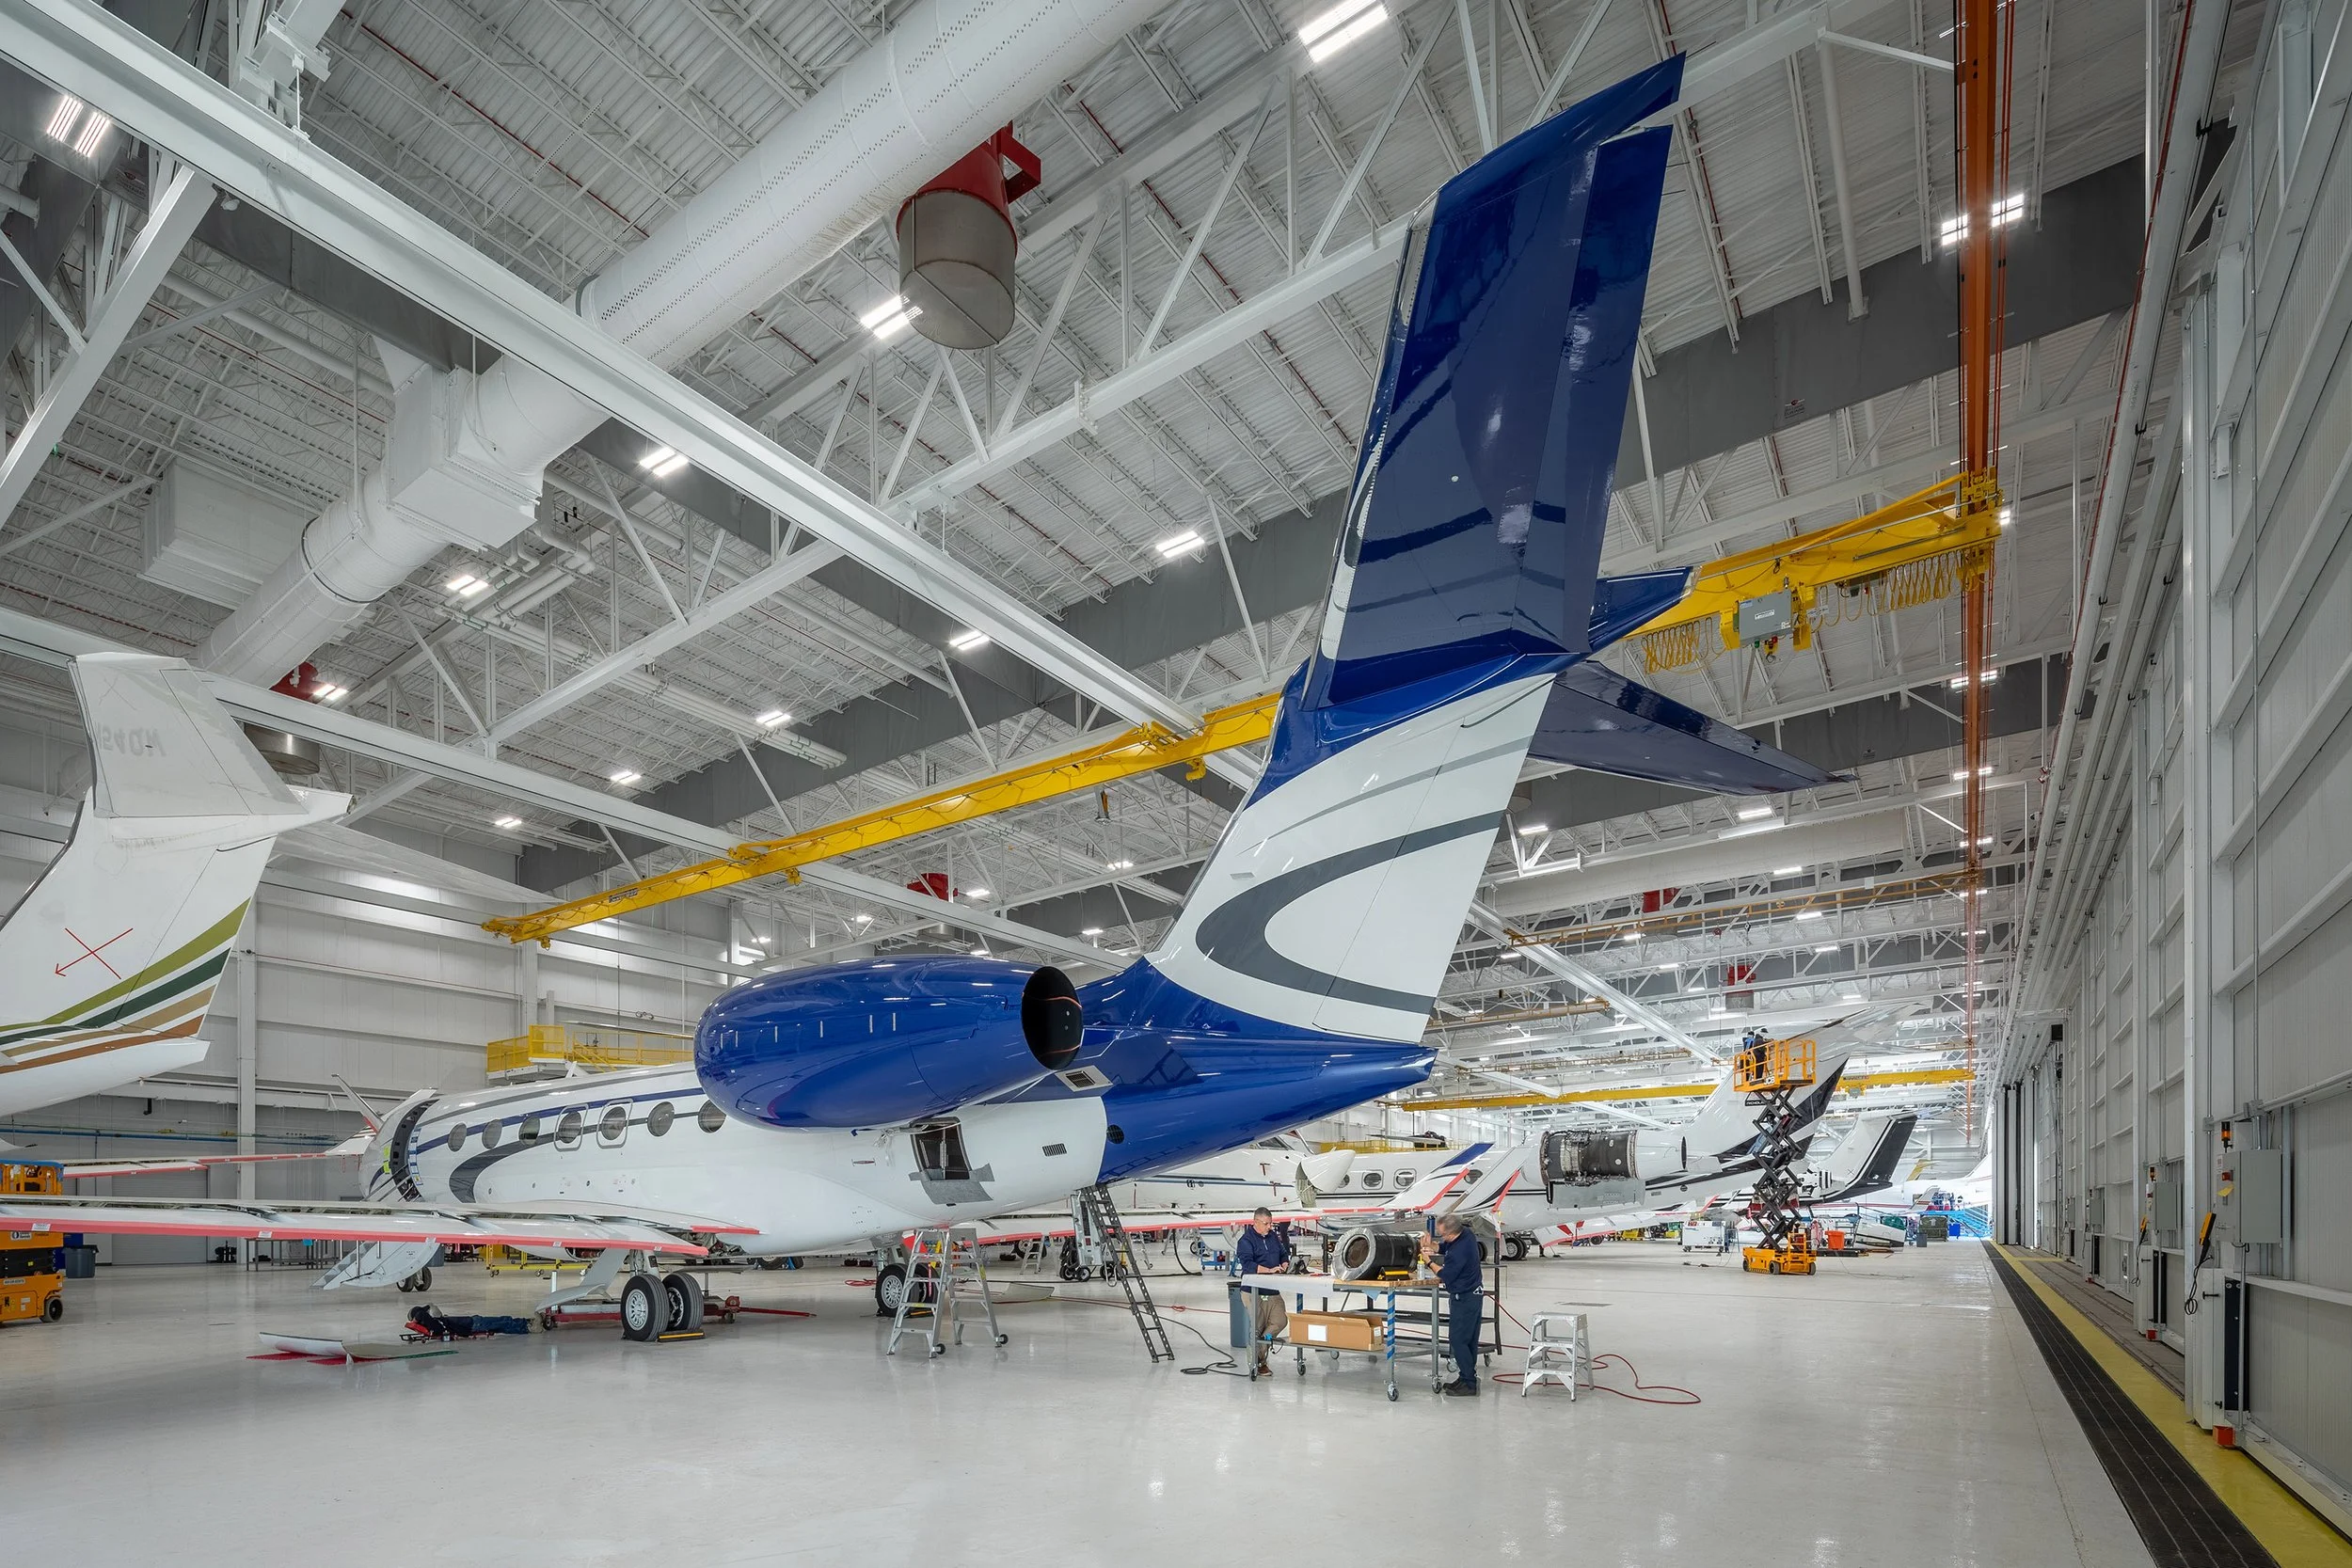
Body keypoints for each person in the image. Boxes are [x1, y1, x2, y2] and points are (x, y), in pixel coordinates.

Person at [1422, 1215, 1484, 1396]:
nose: (1441, 1238)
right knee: (1468, 1339)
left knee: (1458, 1340)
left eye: (1442, 1235)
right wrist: (1434, 1246)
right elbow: (1448, 1246)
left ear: (1452, 1233)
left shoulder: (1460, 1251)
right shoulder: (1467, 1235)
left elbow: (1446, 1275)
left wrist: (1428, 1261)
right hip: (1472, 1294)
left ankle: (1469, 1384)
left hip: (1464, 1297)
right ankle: (1466, 1377)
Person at [1235, 1206, 1292, 1375]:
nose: (1269, 1227)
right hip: (1253, 1291)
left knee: (1280, 1321)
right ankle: (1259, 1363)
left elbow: (1283, 1253)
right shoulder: (1245, 1241)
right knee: (1257, 1327)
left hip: (1272, 1290)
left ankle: (1258, 1350)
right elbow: (1247, 1265)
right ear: (1255, 1222)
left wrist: (1285, 1263)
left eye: (1270, 1224)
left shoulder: (1273, 1236)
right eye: (1266, 1224)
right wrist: (1269, 1270)